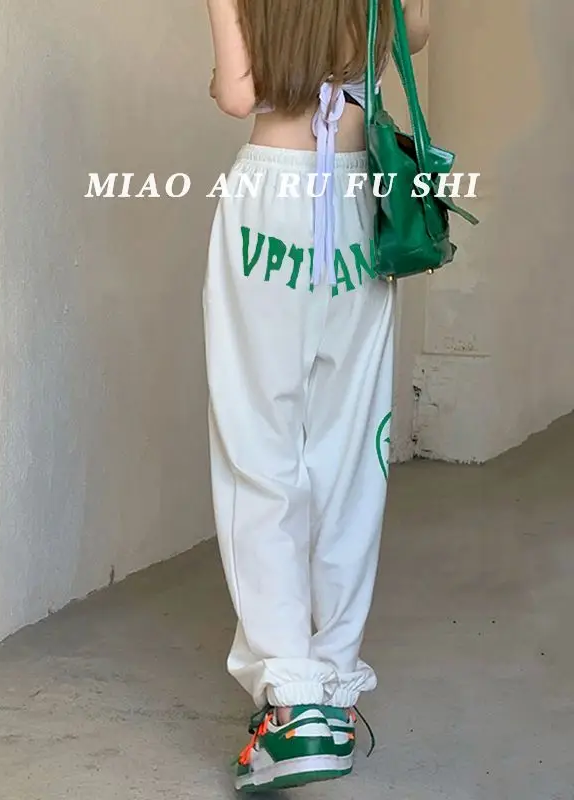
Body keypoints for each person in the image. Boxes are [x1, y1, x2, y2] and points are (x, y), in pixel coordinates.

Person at [203, 0, 430, 791]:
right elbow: (414, 34)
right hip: (360, 201)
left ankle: (292, 702)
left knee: (259, 445)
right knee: (350, 450)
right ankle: (331, 689)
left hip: (270, 201)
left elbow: (240, 93)